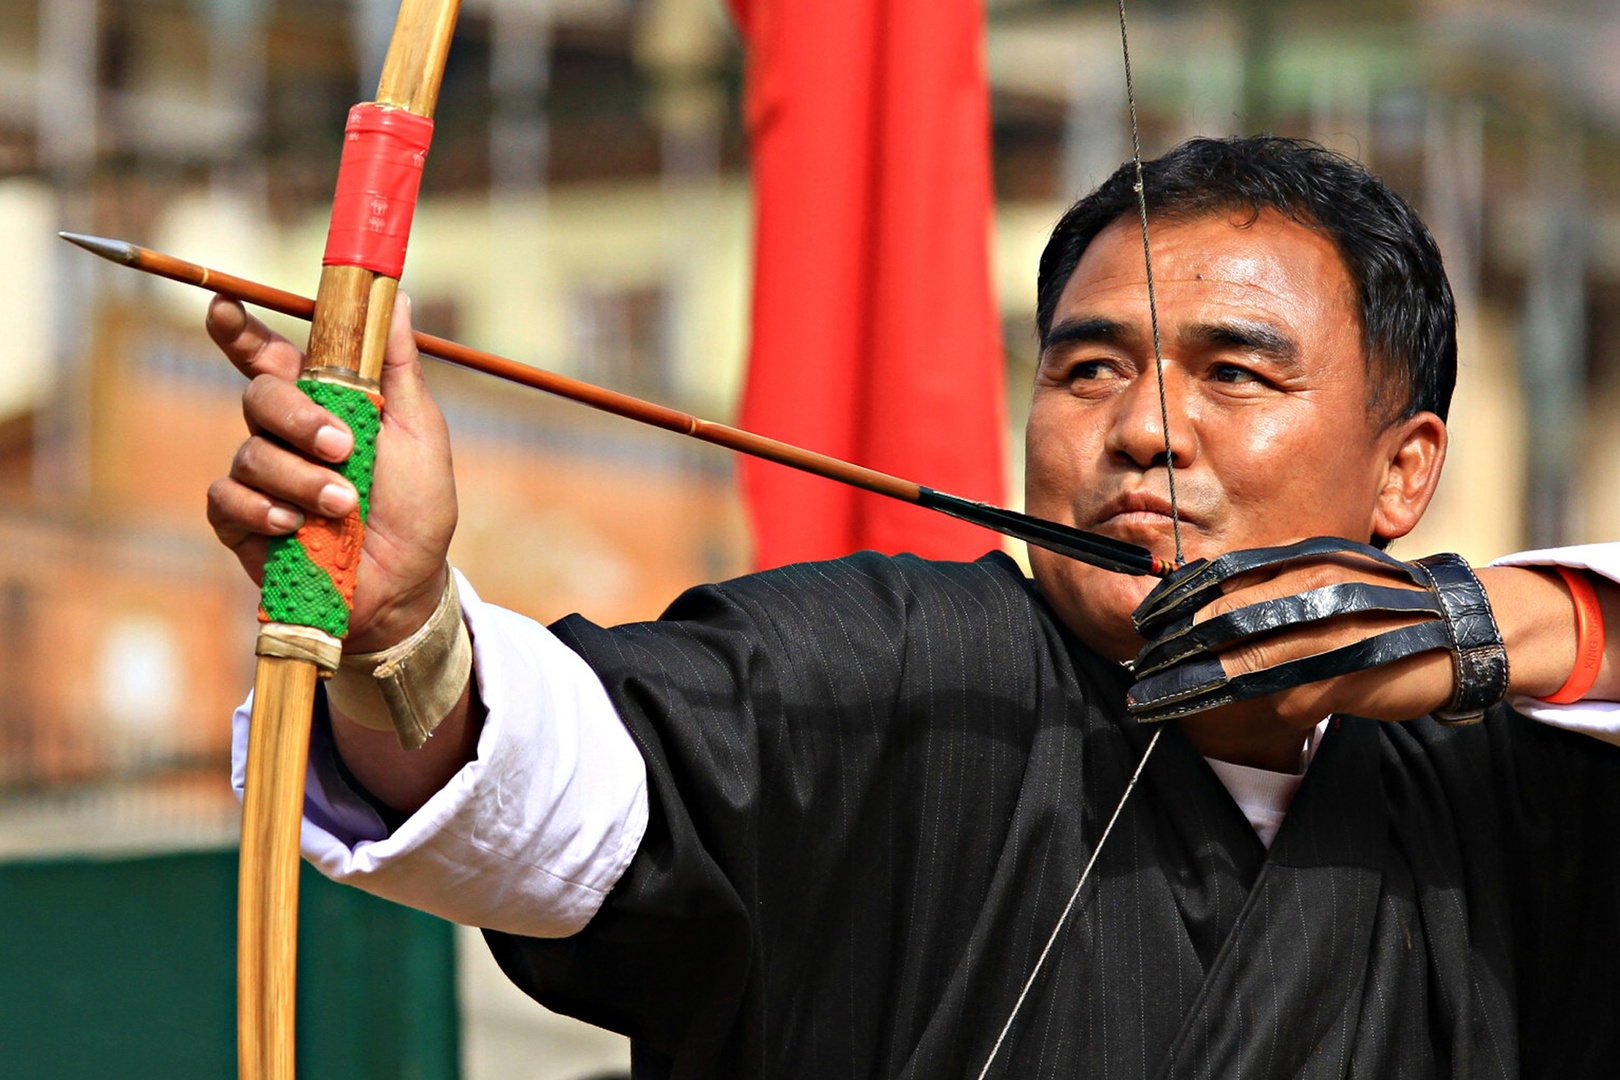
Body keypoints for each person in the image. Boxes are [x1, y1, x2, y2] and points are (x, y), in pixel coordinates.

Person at [209, 137, 1620, 1078]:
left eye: (1235, 374)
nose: (1143, 430)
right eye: (1086, 371)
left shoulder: (1509, 784)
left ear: (1404, 468)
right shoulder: (913, 669)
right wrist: (398, 630)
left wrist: (1498, 625)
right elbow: (577, 778)